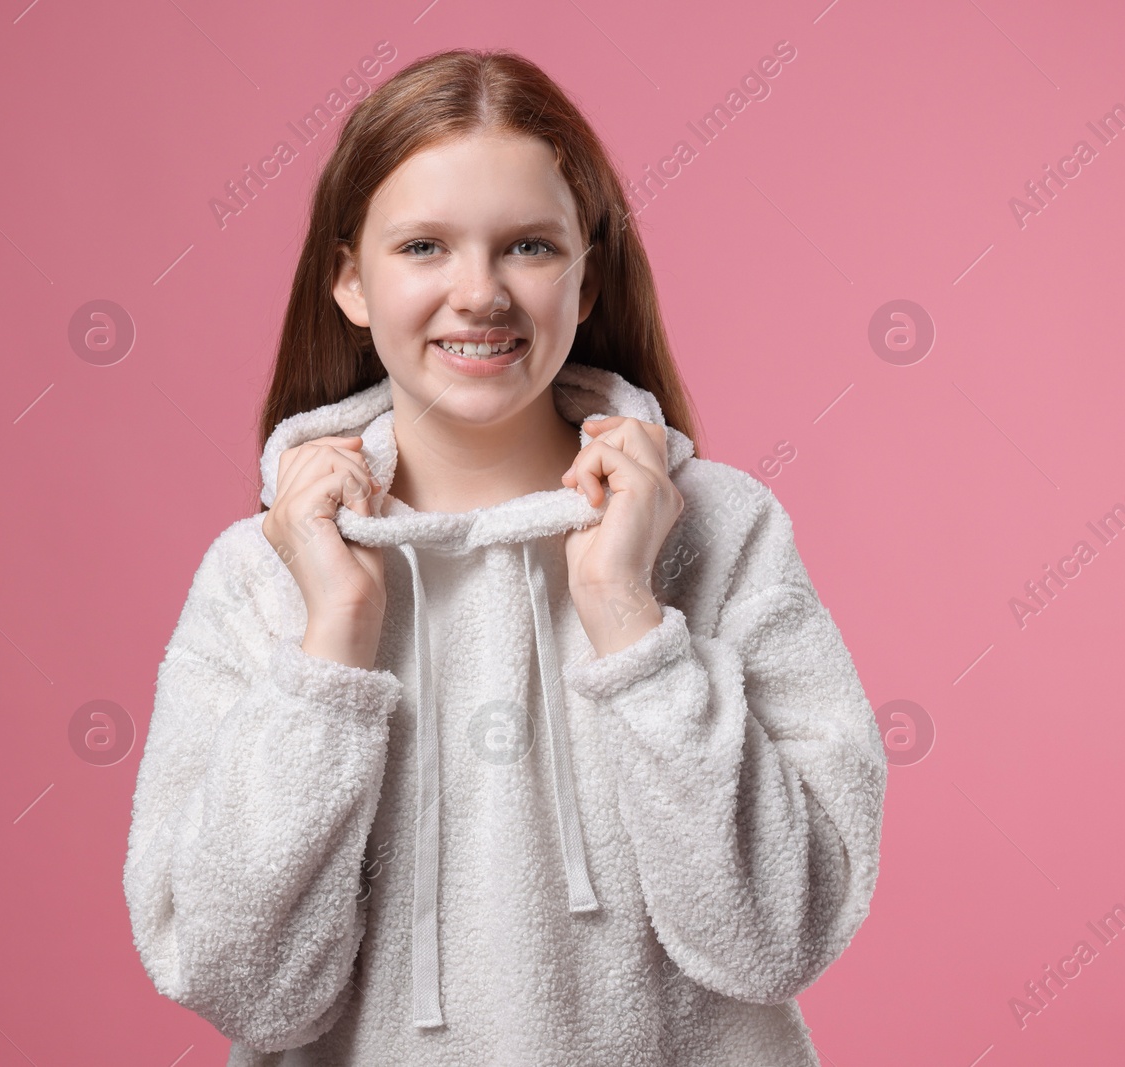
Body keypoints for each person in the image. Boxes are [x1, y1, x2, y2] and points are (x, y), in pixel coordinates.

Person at [122, 47, 886, 1066]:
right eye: (424, 247)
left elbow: (773, 938)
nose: (477, 293)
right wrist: (332, 647)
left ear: (586, 271)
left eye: (527, 245)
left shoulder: (721, 529)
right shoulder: (260, 573)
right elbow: (241, 986)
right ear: (350, 279)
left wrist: (628, 614)